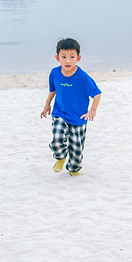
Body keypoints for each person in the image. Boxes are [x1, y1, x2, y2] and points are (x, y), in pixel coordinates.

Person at [40, 38, 102, 176]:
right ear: (57, 58)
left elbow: (97, 94)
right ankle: (60, 157)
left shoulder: (83, 77)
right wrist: (47, 104)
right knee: (57, 138)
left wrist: (92, 110)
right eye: (64, 57)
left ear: (78, 58)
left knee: (77, 148)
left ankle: (73, 169)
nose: (67, 61)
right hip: (60, 113)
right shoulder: (54, 73)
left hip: (79, 117)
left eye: (72, 57)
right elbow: (53, 90)